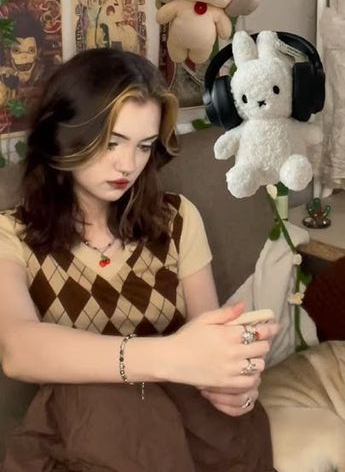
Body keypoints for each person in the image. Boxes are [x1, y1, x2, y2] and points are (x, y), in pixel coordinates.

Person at [0, 48, 279, 471]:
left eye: (144, 146)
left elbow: (207, 342)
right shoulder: (13, 234)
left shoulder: (178, 218)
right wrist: (168, 356)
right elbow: (18, 349)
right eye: (111, 143)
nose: (127, 164)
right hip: (88, 428)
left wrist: (233, 382)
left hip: (185, 418)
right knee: (103, 398)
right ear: (65, 133)